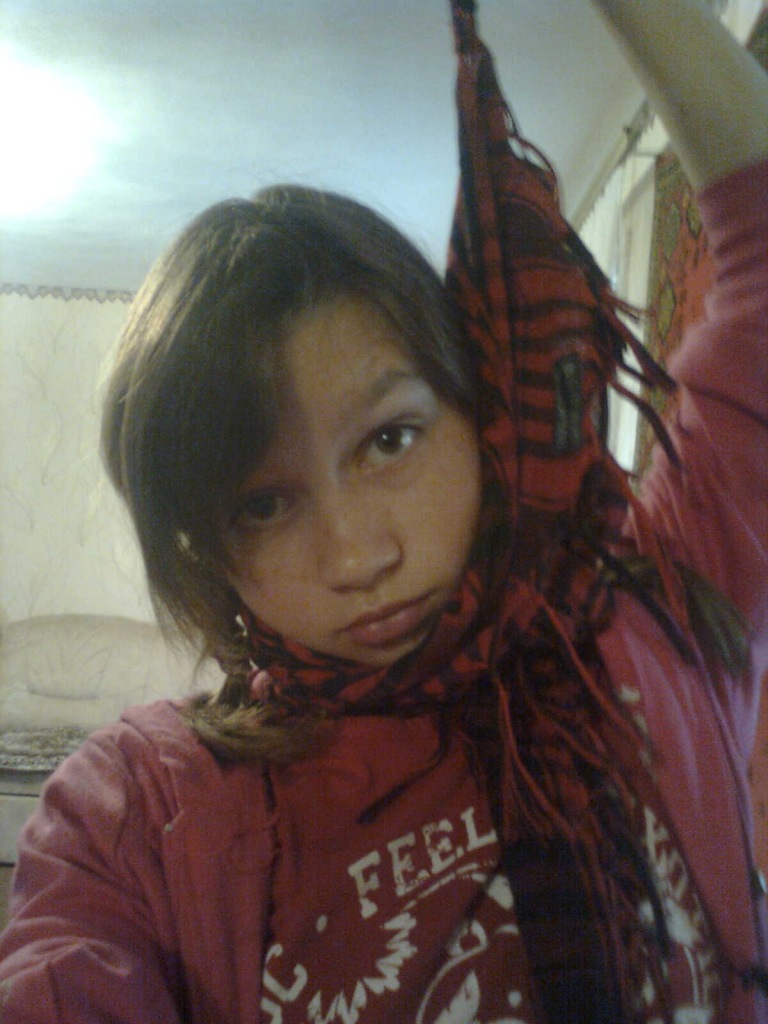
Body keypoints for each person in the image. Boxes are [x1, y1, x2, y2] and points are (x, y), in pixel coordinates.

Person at [1, 0, 767, 1020]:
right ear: (206, 546)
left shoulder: (663, 603)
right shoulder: (144, 810)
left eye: (390, 439)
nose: (355, 556)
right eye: (263, 504)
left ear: (479, 416)